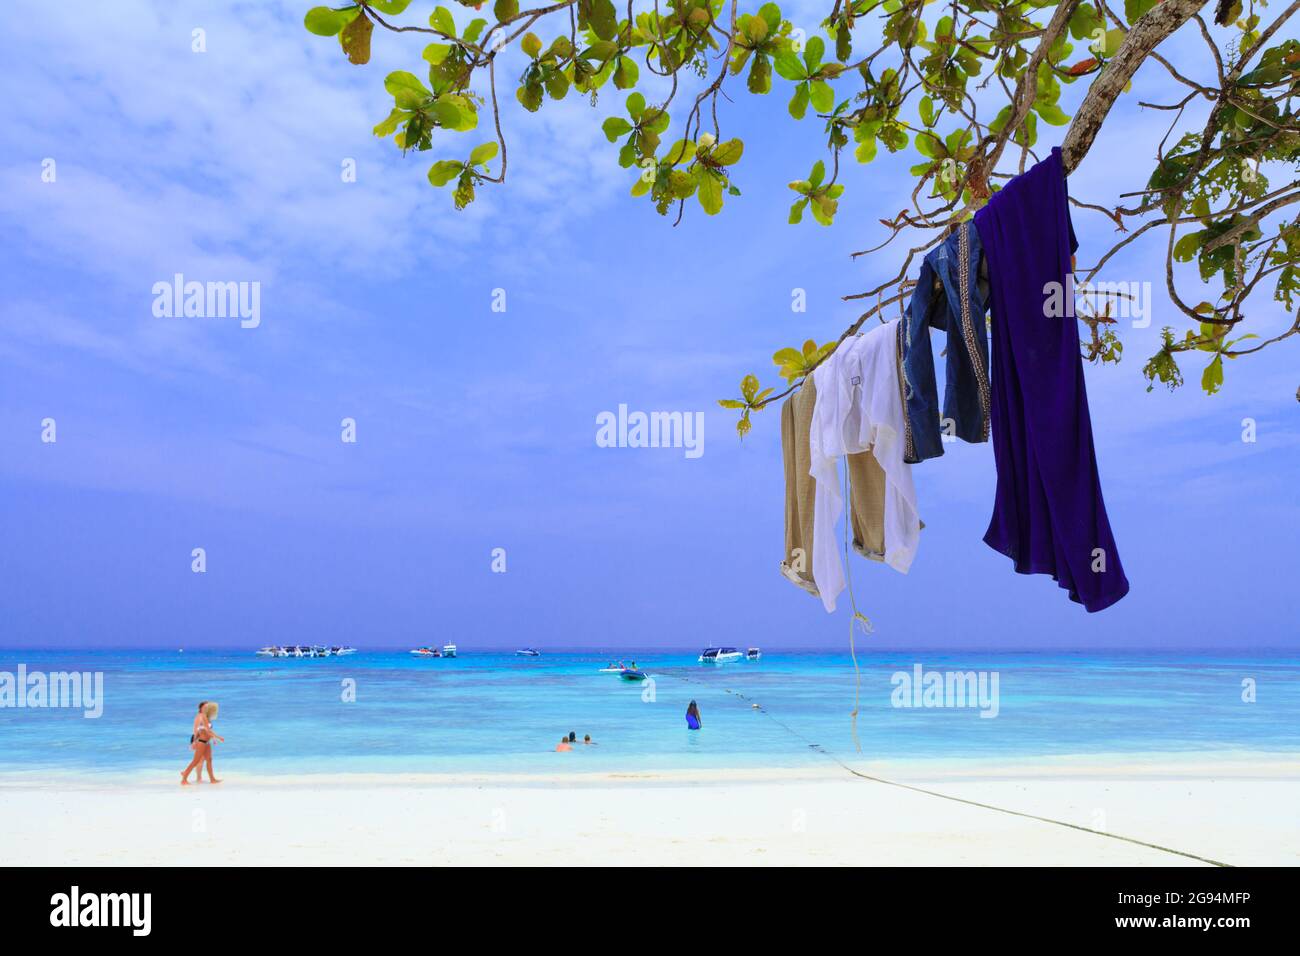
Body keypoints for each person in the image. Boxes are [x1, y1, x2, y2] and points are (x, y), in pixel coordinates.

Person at [181, 701, 224, 785]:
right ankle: (184, 779)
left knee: (209, 760)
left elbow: (207, 730)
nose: (206, 708)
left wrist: (214, 739)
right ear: (200, 708)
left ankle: (212, 779)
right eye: (205, 707)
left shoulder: (206, 717)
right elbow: (203, 730)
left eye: (207, 707)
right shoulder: (200, 716)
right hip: (201, 742)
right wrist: (218, 737)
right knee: (196, 761)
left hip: (207, 742)